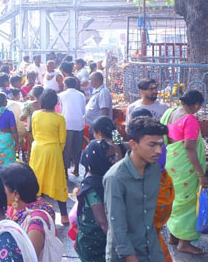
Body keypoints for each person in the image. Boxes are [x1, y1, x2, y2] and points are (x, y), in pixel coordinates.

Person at [104, 116, 167, 262]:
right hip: (125, 254)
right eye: (152, 145)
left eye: (160, 145)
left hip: (151, 248)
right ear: (133, 144)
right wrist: (131, 257)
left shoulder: (155, 170)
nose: (158, 150)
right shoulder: (115, 178)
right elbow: (117, 226)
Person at [161, 90, 207, 255]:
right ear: (195, 104)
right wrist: (201, 174)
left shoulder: (170, 112)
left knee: (177, 199)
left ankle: (174, 236)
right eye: (199, 106)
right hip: (186, 166)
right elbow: (189, 147)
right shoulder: (190, 119)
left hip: (172, 162)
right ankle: (184, 242)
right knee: (188, 203)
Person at [0, 162, 62, 261]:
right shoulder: (11, 208)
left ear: (16, 194)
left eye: (2, 189)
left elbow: (29, 259)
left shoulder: (35, 222)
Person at [29, 89, 69, 223]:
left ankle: (38, 213)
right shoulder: (59, 118)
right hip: (53, 150)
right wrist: (57, 150)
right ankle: (64, 216)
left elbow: (34, 133)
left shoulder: (35, 115)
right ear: (55, 103)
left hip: (37, 149)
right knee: (58, 180)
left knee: (37, 179)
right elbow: (62, 139)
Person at [74, 139, 117, 262]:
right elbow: (103, 223)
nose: (114, 161)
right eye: (110, 158)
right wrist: (119, 246)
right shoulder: (93, 187)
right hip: (94, 242)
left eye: (115, 156)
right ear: (98, 160)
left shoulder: (100, 177)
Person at [59, 77, 87, 177]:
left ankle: (65, 171)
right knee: (77, 147)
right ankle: (76, 168)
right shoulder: (81, 95)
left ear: (65, 85)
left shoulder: (61, 95)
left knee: (66, 148)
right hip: (79, 124)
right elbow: (83, 111)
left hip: (66, 124)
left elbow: (60, 109)